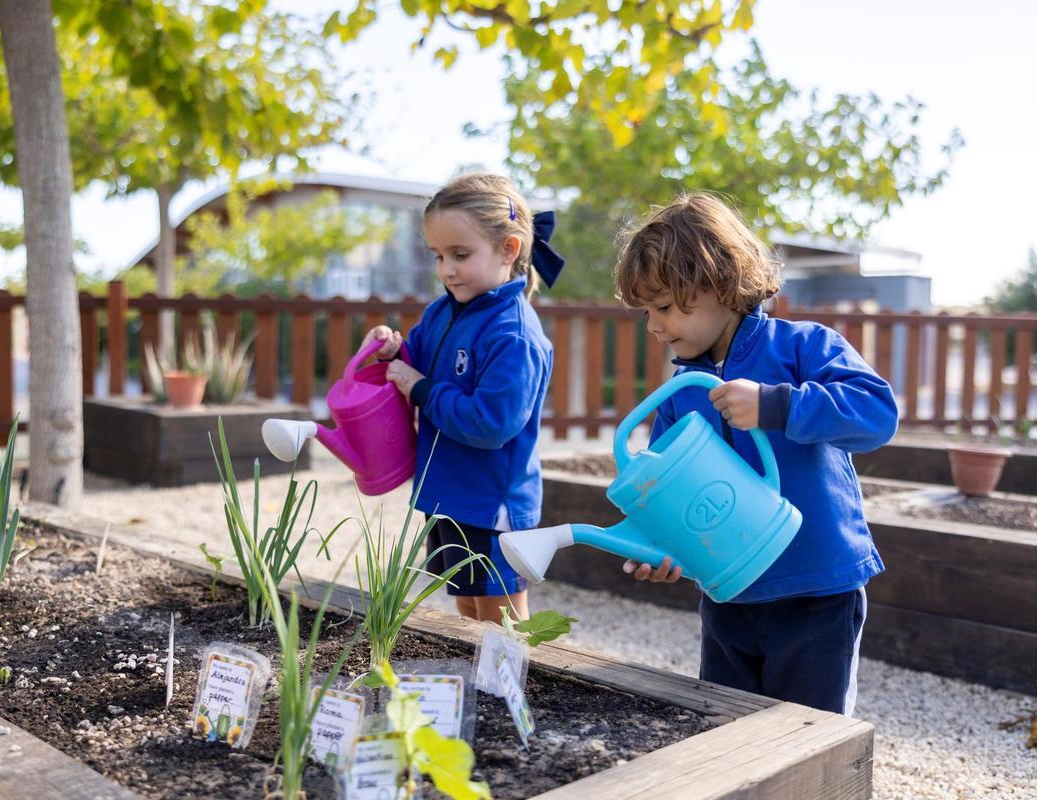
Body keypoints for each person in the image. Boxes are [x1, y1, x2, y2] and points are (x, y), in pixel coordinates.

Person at [614, 193, 898, 715]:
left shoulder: (803, 347)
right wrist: (658, 546)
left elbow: (877, 414)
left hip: (816, 589)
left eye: (665, 307)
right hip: (729, 594)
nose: (653, 325)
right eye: (646, 311)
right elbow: (663, 490)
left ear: (719, 284)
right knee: (727, 730)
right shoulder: (681, 394)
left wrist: (777, 405)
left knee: (809, 736)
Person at [362, 173, 564, 624]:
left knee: (503, 615)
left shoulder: (514, 333)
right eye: (438, 256)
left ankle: (513, 695)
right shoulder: (444, 310)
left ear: (509, 249)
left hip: (493, 503)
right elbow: (423, 360)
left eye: (460, 254)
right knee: (468, 607)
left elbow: (491, 423)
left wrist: (421, 387)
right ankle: (482, 692)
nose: (446, 269)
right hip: (450, 494)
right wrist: (397, 353)